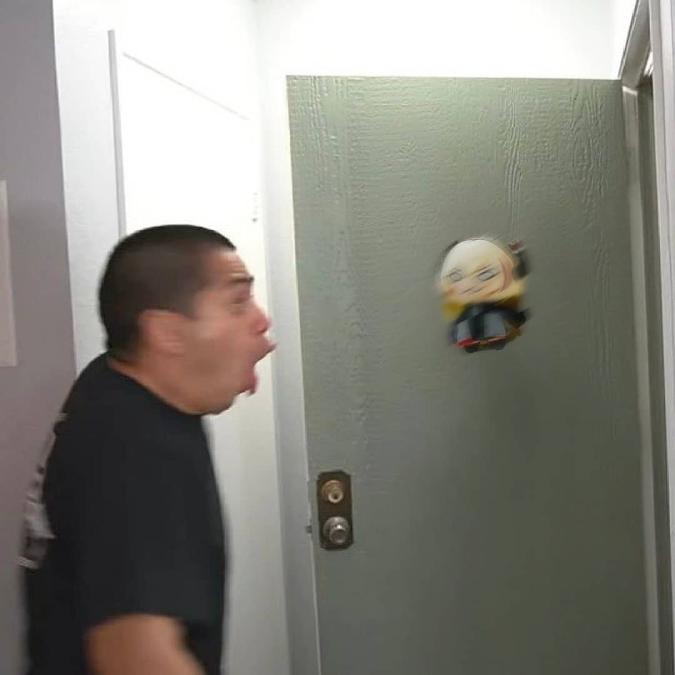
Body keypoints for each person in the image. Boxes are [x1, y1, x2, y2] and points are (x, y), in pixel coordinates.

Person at [20, 225, 274, 675]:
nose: (261, 320)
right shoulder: (136, 447)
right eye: (237, 302)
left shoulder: (114, 388)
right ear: (166, 332)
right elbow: (136, 656)